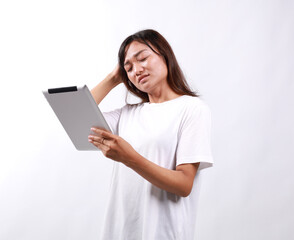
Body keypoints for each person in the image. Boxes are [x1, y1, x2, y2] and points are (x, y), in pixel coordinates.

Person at [88, 29, 213, 240]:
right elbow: (75, 117)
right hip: (120, 232)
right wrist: (112, 78)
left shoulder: (192, 109)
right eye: (128, 68)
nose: (137, 69)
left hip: (163, 233)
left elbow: (184, 184)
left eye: (143, 58)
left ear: (165, 55)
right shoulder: (127, 114)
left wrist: (130, 158)